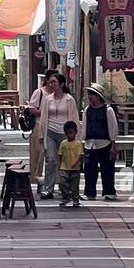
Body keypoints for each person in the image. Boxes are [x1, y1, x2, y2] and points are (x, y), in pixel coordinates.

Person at [26, 70, 80, 199]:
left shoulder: (69, 99)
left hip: (65, 133)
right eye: (50, 82)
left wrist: (75, 136)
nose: (52, 85)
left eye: (54, 82)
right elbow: (44, 118)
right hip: (50, 132)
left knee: (65, 161)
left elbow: (74, 117)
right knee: (50, 160)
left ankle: (65, 188)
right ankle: (48, 189)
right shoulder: (48, 99)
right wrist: (41, 135)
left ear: (61, 84)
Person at [81, 82, 119, 201]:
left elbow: (113, 127)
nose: (90, 97)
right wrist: (83, 141)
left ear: (99, 96)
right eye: (89, 94)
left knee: (107, 169)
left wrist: (113, 144)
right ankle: (89, 192)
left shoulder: (108, 110)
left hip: (105, 143)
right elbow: (85, 127)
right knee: (89, 170)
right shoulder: (87, 110)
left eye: (93, 94)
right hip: (90, 143)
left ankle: (109, 191)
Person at [57, 121, 84, 208]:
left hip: (75, 168)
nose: (69, 135)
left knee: (75, 185)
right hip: (64, 167)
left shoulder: (78, 144)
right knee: (62, 182)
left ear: (75, 132)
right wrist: (60, 166)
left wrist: (76, 163)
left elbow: (80, 155)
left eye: (71, 133)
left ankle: (75, 198)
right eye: (68, 133)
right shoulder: (63, 143)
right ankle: (66, 196)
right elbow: (60, 155)